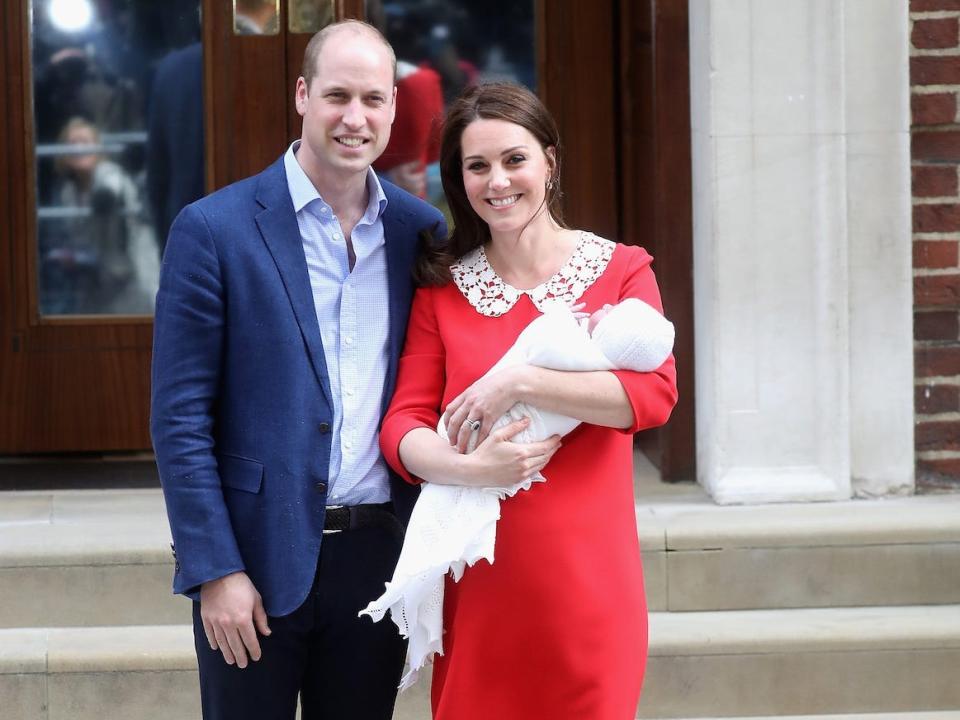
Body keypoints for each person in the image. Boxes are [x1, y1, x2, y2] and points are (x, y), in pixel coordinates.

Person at [150, 20, 445, 720]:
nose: (355, 117)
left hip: (378, 560)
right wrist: (215, 570)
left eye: (374, 99)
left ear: (394, 111)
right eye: (337, 95)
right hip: (252, 561)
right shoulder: (213, 230)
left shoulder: (420, 233)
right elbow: (179, 418)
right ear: (302, 95)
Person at [378, 82, 678, 719]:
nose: (498, 181)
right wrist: (467, 468)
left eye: (515, 159)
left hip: (590, 584)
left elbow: (652, 396)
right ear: (458, 180)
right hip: (481, 586)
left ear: (550, 161)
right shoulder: (442, 289)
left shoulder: (621, 270)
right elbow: (403, 423)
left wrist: (519, 382)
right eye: (477, 165)